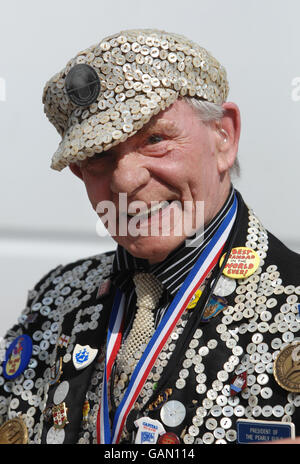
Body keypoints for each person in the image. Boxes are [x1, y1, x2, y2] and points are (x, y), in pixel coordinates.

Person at [0, 28, 299, 445]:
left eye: (155, 139)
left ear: (224, 137)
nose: (125, 181)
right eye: (99, 156)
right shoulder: (55, 299)